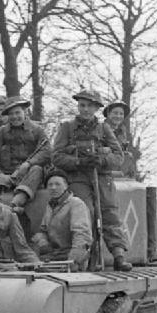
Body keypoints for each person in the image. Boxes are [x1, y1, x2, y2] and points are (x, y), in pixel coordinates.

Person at [52, 89, 132, 271]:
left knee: (109, 214)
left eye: (89, 106)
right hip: (78, 178)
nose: (85, 110)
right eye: (82, 105)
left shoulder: (104, 129)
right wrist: (78, 161)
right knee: (85, 214)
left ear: (96, 108)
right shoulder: (67, 128)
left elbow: (119, 157)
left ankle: (119, 256)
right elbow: (56, 156)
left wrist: (102, 160)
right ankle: (87, 259)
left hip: (102, 178)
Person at [0, 96, 51, 212]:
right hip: (7, 177)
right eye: (11, 114)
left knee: (37, 169)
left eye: (17, 112)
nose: (15, 117)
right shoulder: (1, 132)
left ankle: (16, 202)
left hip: (29, 175)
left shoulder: (37, 130)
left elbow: (47, 151)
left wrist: (29, 164)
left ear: (25, 112)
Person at [31, 169, 92, 270]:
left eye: (57, 184)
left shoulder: (76, 204)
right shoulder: (50, 206)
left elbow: (82, 235)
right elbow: (42, 230)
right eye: (50, 185)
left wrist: (74, 261)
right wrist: (43, 244)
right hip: (53, 255)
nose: (53, 188)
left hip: (70, 256)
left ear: (66, 186)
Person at [102, 100, 135, 177]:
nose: (118, 116)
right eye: (115, 113)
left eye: (121, 114)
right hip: (105, 170)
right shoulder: (100, 129)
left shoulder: (122, 132)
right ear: (108, 114)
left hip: (121, 171)